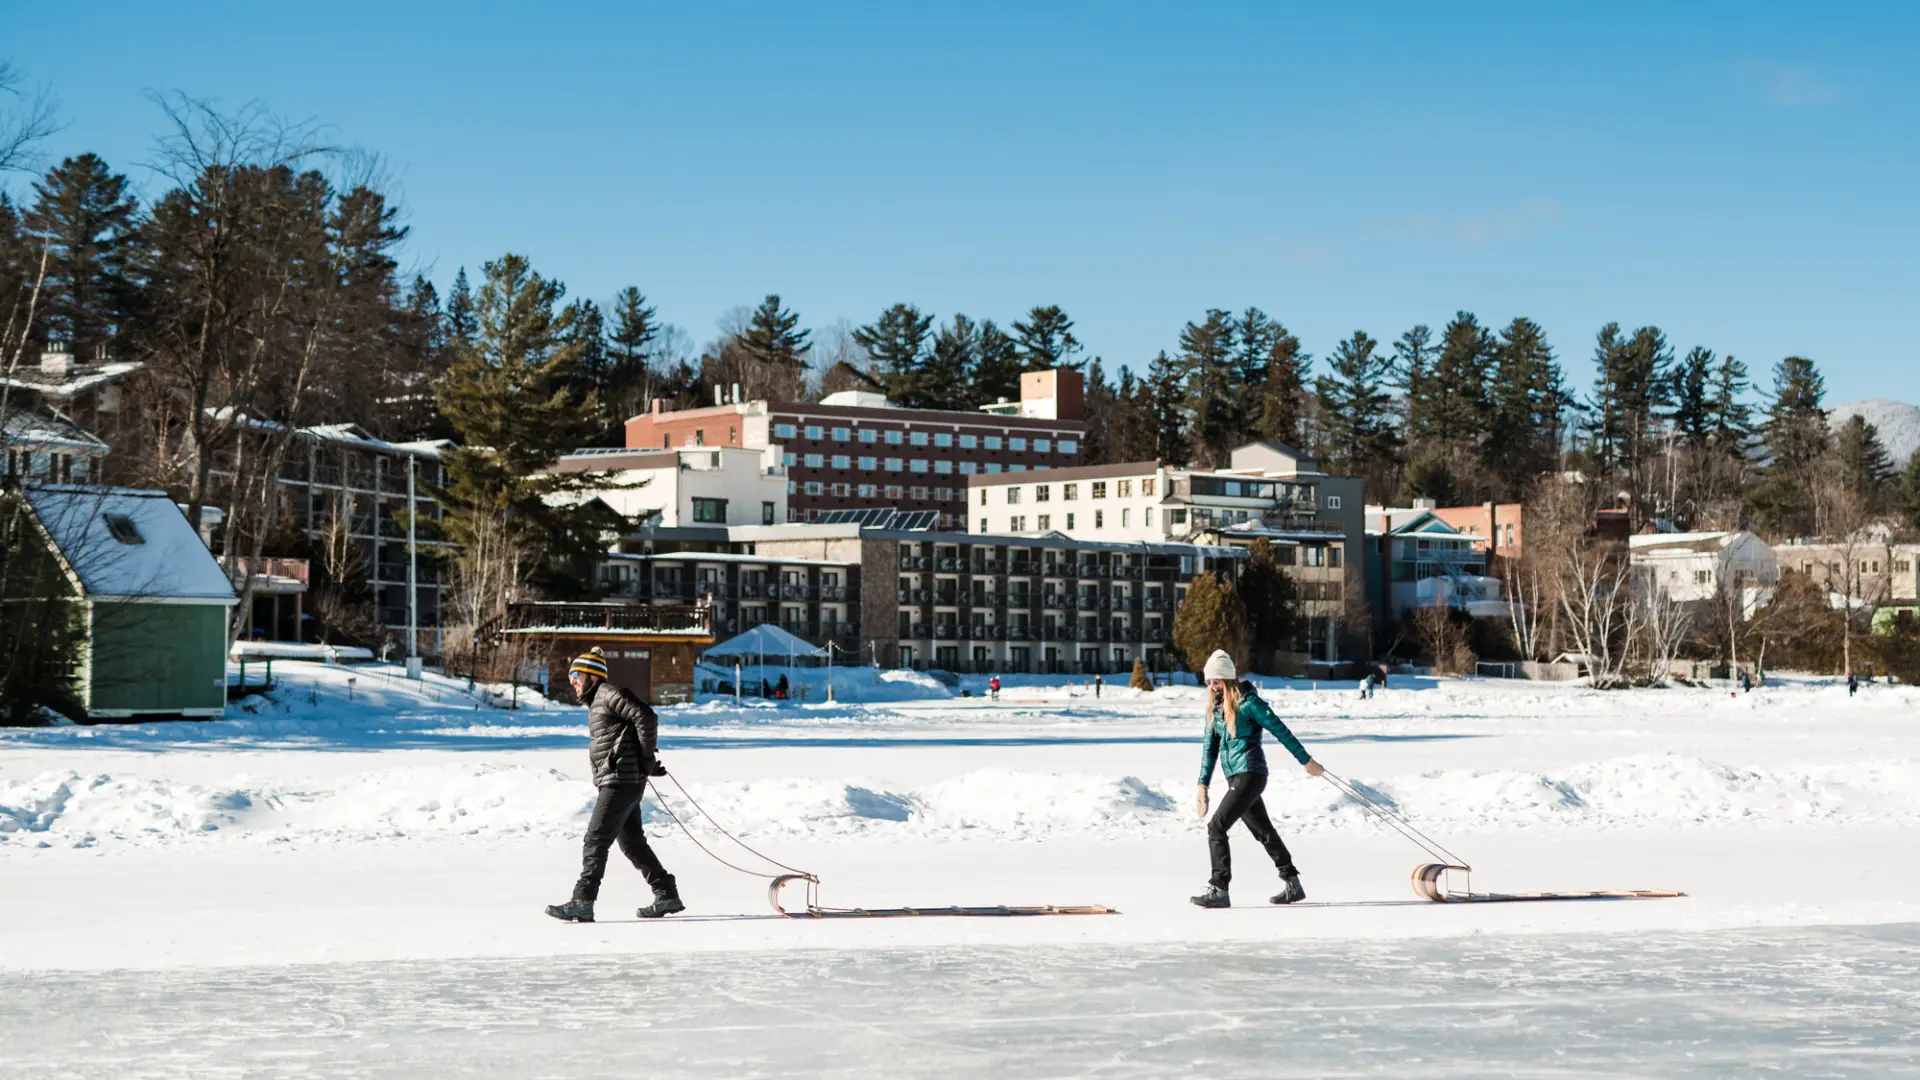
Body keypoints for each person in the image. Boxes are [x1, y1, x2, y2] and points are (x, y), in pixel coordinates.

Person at [546, 647, 684, 923]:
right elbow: (627, 734)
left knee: (596, 839)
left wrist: (645, 758)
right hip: (624, 778)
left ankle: (582, 900)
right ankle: (666, 892)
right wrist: (644, 762)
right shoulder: (599, 700)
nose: (572, 680)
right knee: (632, 843)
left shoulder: (609, 694)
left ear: (592, 676)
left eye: (576, 675)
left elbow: (646, 716)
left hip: (620, 781)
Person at [1192, 649, 1323, 909]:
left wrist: (1306, 761)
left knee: (1216, 827)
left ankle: (1219, 888)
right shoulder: (1216, 711)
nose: (1212, 686)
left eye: (1216, 680)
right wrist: (1202, 785)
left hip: (1251, 774)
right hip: (1236, 779)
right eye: (1208, 681)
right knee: (1263, 832)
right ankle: (1292, 883)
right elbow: (1210, 749)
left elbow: (1282, 732)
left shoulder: (1250, 704)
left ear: (1228, 679)